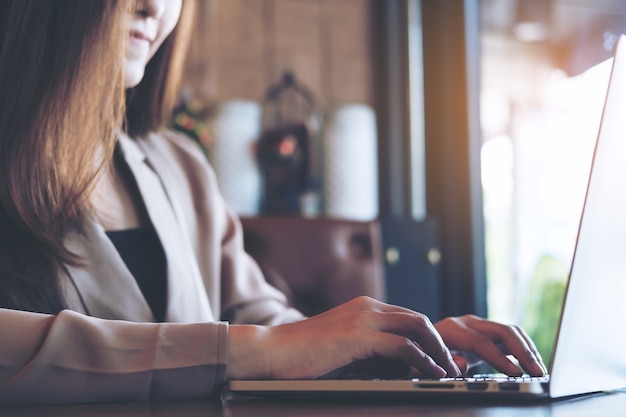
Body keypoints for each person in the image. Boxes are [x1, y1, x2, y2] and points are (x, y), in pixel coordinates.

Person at [0, 0, 547, 405]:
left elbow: (266, 322)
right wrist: (258, 348)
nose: (154, 7)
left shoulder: (179, 166)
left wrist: (390, 347)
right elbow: (263, 344)